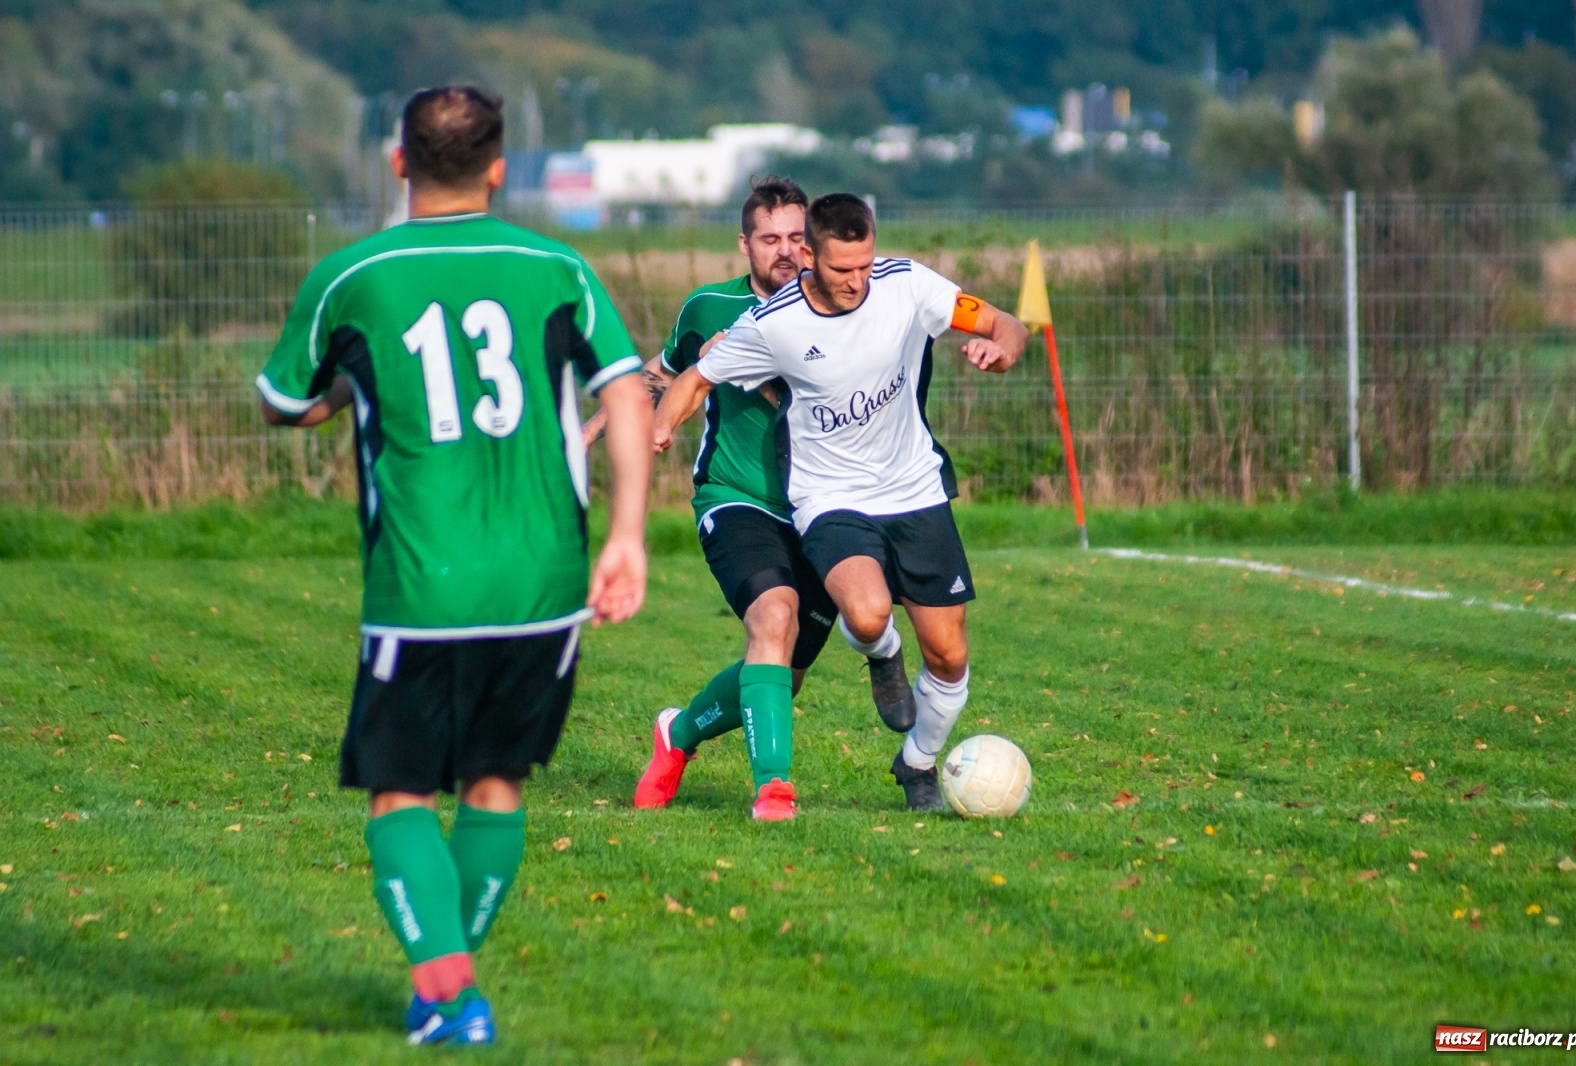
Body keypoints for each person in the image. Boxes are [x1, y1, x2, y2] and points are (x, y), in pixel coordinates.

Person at [256, 86, 651, 1045]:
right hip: (544, 583)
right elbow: (627, 391)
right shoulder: (558, 267)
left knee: (400, 794)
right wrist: (628, 535)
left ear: (398, 163)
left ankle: (450, 994)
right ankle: (444, 990)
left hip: (420, 589)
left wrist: (349, 389)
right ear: (498, 169)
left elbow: (282, 401)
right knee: (495, 785)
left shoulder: (353, 275)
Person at [653, 192, 1028, 810]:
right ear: (810, 255)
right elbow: (696, 378)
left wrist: (1004, 347)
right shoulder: (774, 324)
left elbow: (1001, 321)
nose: (857, 281)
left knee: (950, 655)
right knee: (868, 614)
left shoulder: (908, 285)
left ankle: (917, 763)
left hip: (915, 488)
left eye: (864, 265)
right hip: (829, 497)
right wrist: (664, 425)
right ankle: (881, 654)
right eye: (841, 269)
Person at [606, 178, 913, 822]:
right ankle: (773, 790)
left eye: (797, 237)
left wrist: (749, 363)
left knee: (782, 674)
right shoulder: (710, 308)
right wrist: (612, 420)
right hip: (737, 497)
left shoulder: (850, 313)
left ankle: (677, 733)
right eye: (769, 239)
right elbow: (665, 371)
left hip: (825, 509)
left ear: (816, 244)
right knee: (774, 618)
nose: (785, 250)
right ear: (744, 244)